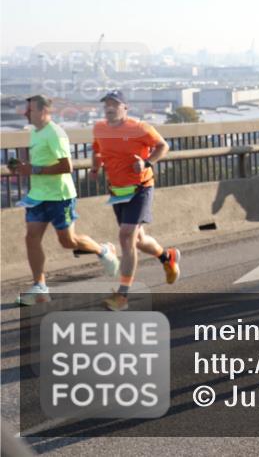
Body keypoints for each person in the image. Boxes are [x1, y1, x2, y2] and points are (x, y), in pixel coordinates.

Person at [13, 95, 119, 306]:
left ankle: (103, 250)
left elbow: (66, 166)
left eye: (30, 110)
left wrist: (34, 169)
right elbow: (39, 163)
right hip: (37, 196)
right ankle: (40, 288)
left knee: (67, 241)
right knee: (31, 238)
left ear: (43, 111)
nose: (25, 113)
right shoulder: (34, 132)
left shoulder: (56, 133)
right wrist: (23, 167)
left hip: (59, 196)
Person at [90, 90, 178, 312]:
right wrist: (95, 167)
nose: (109, 108)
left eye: (114, 104)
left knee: (126, 235)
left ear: (125, 108)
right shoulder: (99, 128)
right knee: (138, 240)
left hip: (141, 187)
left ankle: (122, 296)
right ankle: (167, 257)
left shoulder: (140, 128)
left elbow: (163, 146)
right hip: (118, 190)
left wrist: (147, 162)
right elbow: (97, 149)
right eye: (107, 104)